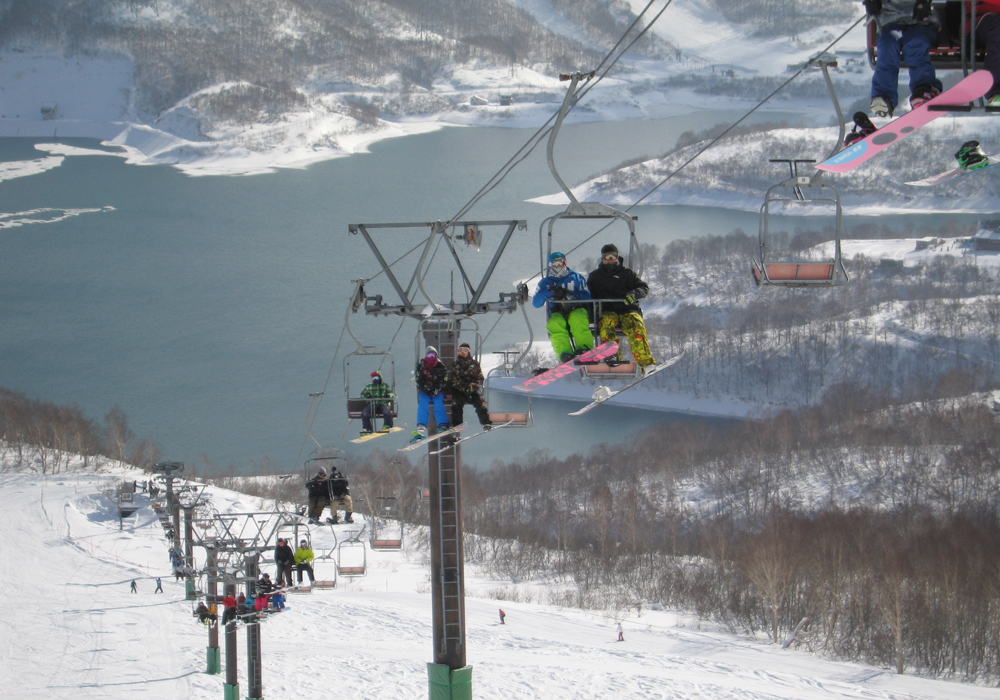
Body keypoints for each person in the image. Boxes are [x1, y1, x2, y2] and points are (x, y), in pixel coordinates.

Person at [865, 0, 943, 118]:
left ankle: (924, 89)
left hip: (922, 21)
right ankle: (884, 96)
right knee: (887, 48)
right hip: (892, 23)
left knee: (914, 45)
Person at [587, 244, 656, 374]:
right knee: (605, 322)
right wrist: (592, 316)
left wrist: (634, 294)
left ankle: (645, 363)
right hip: (608, 311)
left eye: (613, 257)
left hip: (627, 309)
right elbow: (590, 297)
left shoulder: (627, 273)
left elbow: (643, 288)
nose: (610, 260)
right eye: (607, 257)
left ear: (617, 257)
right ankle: (612, 356)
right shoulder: (595, 277)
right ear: (602, 259)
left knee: (635, 325)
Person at [533, 252, 594, 362]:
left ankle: (585, 348)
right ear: (550, 265)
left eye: (561, 263)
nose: (558, 266)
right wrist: (550, 292)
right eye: (555, 264)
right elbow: (536, 303)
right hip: (558, 311)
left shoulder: (576, 278)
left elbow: (587, 296)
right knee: (555, 324)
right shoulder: (546, 283)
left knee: (577, 320)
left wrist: (569, 294)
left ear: (565, 263)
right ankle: (565, 353)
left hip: (577, 308)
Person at [411, 346, 451, 443]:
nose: (431, 357)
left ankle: (442, 424)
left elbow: (444, 379)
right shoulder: (421, 366)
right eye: (429, 355)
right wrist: (426, 387)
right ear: (426, 356)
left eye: (433, 355)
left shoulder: (440, 366)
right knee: (423, 402)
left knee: (438, 402)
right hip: (425, 390)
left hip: (438, 390)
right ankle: (422, 424)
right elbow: (418, 379)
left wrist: (437, 388)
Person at [448, 343, 492, 430]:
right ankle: (457, 425)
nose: (462, 352)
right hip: (460, 389)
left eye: (465, 350)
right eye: (460, 350)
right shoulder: (456, 365)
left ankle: (485, 423)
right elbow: (453, 380)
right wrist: (462, 388)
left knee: (480, 402)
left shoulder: (475, 364)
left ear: (468, 351)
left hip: (472, 389)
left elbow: (480, 378)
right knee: (456, 404)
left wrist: (473, 386)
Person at [359, 370, 395, 435]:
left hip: (383, 403)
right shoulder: (369, 387)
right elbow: (363, 394)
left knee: (386, 409)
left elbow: (390, 393)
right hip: (373, 405)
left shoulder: (385, 386)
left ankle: (387, 425)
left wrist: (389, 396)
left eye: (376, 377)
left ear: (380, 377)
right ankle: (367, 428)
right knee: (365, 411)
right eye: (373, 378)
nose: (375, 379)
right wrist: (367, 398)